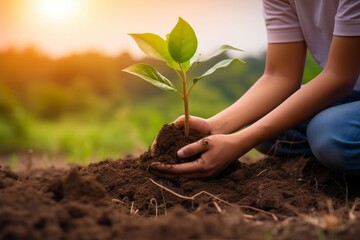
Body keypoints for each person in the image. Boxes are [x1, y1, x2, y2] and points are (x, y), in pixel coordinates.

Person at [150, 0, 360, 179]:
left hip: (343, 85)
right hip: (351, 94)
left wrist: (241, 141)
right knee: (265, 122)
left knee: (329, 135)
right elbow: (280, 75)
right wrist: (214, 127)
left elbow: (339, 77)